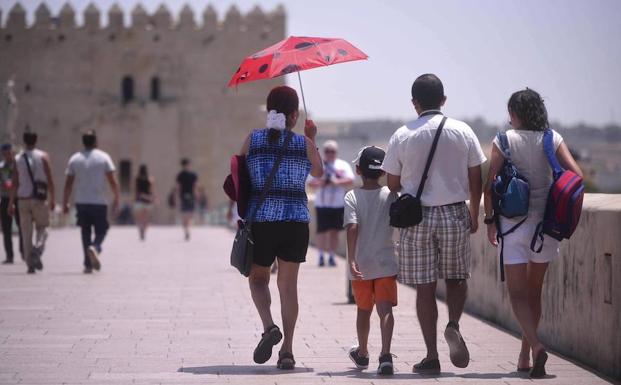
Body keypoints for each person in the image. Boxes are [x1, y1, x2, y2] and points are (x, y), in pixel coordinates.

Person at [382, 74, 486, 374]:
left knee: (425, 288)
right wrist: (474, 214)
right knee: (456, 277)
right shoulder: (463, 131)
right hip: (454, 212)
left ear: (414, 103)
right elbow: (476, 177)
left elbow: (391, 183)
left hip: (418, 218)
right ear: (443, 99)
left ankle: (431, 355)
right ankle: (453, 324)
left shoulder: (403, 134)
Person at [483, 89, 583, 378]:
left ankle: (536, 347)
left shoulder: (504, 140)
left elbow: (490, 185)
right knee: (534, 291)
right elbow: (575, 174)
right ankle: (524, 355)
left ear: (514, 113)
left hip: (513, 226)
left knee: (516, 294)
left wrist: (490, 220)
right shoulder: (552, 139)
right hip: (547, 227)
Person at [239, 85, 323, 370]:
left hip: (262, 221)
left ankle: (269, 326)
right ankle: (287, 350)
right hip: (295, 222)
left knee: (258, 280)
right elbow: (320, 172)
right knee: (288, 287)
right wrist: (311, 139)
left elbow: (238, 175)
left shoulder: (254, 139)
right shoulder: (303, 144)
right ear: (295, 114)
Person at [344, 146, 398, 375]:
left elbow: (352, 228)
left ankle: (363, 352)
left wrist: (351, 258)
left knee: (363, 309)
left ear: (358, 170)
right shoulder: (390, 194)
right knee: (385, 309)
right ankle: (385, 355)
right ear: (383, 172)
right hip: (385, 261)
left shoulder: (352, 196)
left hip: (362, 264)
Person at [62, 130, 120, 274]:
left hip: (81, 201)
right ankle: (96, 247)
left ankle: (88, 264)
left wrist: (65, 202)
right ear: (95, 141)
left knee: (85, 232)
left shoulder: (75, 159)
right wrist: (117, 197)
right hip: (99, 201)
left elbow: (68, 184)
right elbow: (112, 180)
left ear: (83, 142)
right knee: (102, 230)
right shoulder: (104, 157)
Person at [8, 132, 55, 274]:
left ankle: (30, 264)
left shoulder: (18, 159)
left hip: (22, 199)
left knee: (26, 232)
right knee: (43, 227)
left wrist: (11, 202)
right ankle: (38, 248)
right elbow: (50, 178)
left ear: (24, 141)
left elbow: (14, 183)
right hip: (39, 198)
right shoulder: (43, 156)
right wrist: (53, 198)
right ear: (36, 140)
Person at [307, 140, 354, 266]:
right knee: (321, 231)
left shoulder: (342, 165)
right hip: (322, 203)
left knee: (334, 231)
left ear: (336, 152)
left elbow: (350, 179)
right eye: (327, 151)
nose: (330, 154)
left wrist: (336, 182)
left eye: (332, 151)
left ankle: (332, 256)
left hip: (337, 204)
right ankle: (321, 255)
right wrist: (323, 182)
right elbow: (310, 182)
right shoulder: (319, 165)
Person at [0, 143, 22, 264]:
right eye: (5, 154)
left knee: (22, 226)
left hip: (18, 198)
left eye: (9, 153)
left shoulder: (19, 166)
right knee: (6, 229)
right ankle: (9, 255)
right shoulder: (2, 167)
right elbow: (6, 183)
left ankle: (23, 251)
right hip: (5, 199)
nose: (8, 156)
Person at [176, 158, 198, 240]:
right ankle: (188, 229)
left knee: (184, 215)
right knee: (190, 215)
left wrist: (177, 197)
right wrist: (196, 195)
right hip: (191, 196)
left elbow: (178, 187)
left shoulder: (180, 175)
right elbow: (195, 187)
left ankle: (186, 231)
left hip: (183, 196)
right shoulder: (193, 175)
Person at [134, 164, 156, 241]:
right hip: (148, 200)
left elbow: (136, 190)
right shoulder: (150, 179)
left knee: (139, 218)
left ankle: (141, 230)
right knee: (146, 219)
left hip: (139, 200)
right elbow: (152, 190)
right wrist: (154, 198)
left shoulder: (137, 178)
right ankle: (144, 231)